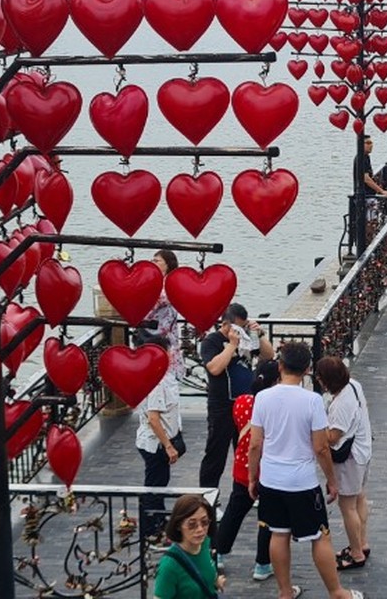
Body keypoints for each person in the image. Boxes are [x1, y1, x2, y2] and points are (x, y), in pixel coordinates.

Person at [247, 342, 363, 599]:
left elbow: (255, 444)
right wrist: (332, 480)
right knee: (320, 536)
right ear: (308, 369)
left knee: (278, 534)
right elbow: (321, 448)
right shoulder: (312, 401)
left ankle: (285, 591)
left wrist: (252, 476)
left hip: (272, 478)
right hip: (301, 481)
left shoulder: (263, 398)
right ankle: (336, 592)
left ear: (280, 366)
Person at [213, 360, 279, 583]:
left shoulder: (241, 402)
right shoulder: (275, 406)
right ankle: (262, 563)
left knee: (234, 511)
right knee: (267, 518)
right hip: (268, 468)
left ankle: (219, 553)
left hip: (243, 466)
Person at [199, 303, 273, 488]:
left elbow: (268, 356)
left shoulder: (248, 338)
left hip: (245, 405)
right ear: (226, 325)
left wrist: (260, 335)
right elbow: (214, 369)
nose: (241, 332)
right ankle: (208, 498)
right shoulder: (211, 342)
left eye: (244, 326)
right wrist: (232, 345)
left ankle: (247, 489)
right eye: (238, 327)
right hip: (222, 405)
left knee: (248, 451)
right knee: (216, 454)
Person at [314, 356, 373, 571]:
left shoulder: (340, 406)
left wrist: (317, 423)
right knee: (359, 498)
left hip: (349, 460)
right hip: (363, 451)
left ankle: (356, 554)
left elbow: (332, 437)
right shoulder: (354, 386)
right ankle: (361, 543)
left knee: (347, 506)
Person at [136, 341, 183, 543]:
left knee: (160, 483)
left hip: (164, 440)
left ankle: (159, 521)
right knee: (154, 487)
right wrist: (168, 445)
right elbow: (153, 418)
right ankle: (150, 530)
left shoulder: (167, 377)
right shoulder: (156, 383)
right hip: (155, 444)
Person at [152, 495, 225, 598]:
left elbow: (204, 574)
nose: (200, 529)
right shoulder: (169, 566)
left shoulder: (204, 543)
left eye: (204, 522)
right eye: (192, 524)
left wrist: (215, 582)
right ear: (178, 525)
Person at [147, 249, 184, 378]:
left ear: (168, 264)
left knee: (163, 373)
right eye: (152, 260)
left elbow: (158, 300)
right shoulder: (156, 281)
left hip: (163, 335)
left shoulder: (168, 283)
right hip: (153, 333)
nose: (153, 263)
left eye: (157, 261)